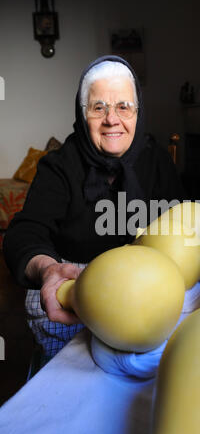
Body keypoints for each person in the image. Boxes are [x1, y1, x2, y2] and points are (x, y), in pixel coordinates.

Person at [3, 55, 186, 361]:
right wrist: (48, 269)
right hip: (76, 291)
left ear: (138, 112)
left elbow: (181, 226)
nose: (112, 119)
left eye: (124, 106)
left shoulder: (156, 162)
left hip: (145, 291)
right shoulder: (60, 166)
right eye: (98, 107)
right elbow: (25, 232)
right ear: (81, 112)